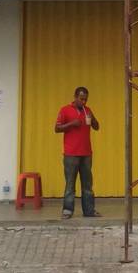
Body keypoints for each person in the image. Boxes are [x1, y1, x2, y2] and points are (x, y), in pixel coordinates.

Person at [55, 86, 100, 219]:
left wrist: (93, 121)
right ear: (75, 97)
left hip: (86, 153)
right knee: (70, 183)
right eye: (81, 99)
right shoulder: (65, 110)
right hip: (71, 154)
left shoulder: (88, 110)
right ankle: (68, 210)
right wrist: (71, 124)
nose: (84, 102)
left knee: (87, 183)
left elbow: (97, 127)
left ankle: (89, 210)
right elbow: (56, 128)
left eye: (86, 99)